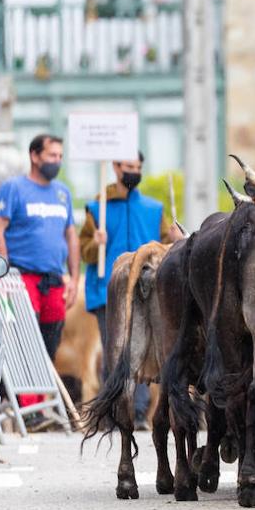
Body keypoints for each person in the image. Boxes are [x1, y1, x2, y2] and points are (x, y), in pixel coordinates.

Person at [78, 152, 180, 428]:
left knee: (143, 349)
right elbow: (84, 252)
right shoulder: (96, 207)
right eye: (128, 167)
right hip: (107, 292)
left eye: (138, 167)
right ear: (115, 167)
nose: (134, 171)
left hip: (147, 291)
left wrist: (174, 240)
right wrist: (95, 243)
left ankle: (137, 413)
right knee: (115, 351)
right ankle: (113, 411)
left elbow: (164, 249)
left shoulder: (153, 209)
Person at [0, 134, 80, 362]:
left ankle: (41, 395)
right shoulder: (13, 188)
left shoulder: (62, 193)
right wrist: (4, 275)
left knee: (50, 343)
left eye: (60, 156)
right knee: (23, 341)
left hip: (54, 280)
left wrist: (75, 280)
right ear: (35, 156)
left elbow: (71, 235)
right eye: (51, 155)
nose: (57, 161)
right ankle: (23, 398)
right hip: (21, 278)